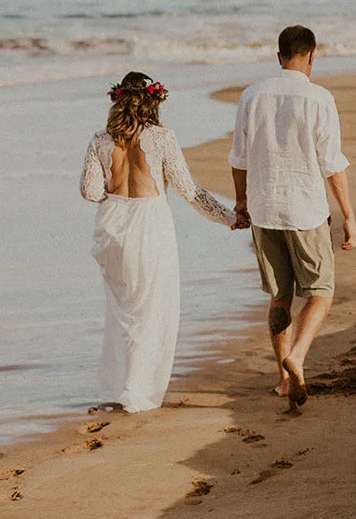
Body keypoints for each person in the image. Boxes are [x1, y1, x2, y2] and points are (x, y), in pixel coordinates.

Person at [80, 72, 244, 413]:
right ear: (154, 102)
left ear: (118, 100)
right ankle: (135, 390)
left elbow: (90, 192)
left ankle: (119, 384)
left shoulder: (99, 140)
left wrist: (115, 188)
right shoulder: (162, 138)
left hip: (112, 230)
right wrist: (230, 217)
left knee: (123, 311)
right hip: (149, 226)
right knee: (151, 311)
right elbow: (190, 191)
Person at [229, 25, 356, 412]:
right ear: (312, 55)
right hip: (305, 209)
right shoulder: (319, 98)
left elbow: (239, 158)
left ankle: (284, 381)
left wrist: (241, 203)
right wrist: (349, 216)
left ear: (278, 55)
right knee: (321, 291)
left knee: (279, 296)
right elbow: (332, 164)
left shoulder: (252, 95)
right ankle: (299, 356)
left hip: (264, 208)